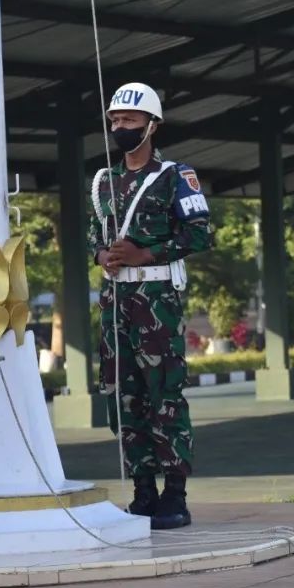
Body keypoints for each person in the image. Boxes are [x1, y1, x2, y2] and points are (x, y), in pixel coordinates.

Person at [88, 82, 213, 530]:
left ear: (152, 125)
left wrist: (146, 253)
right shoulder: (104, 180)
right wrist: (103, 256)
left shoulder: (176, 175)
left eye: (131, 121)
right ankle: (142, 493)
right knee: (124, 398)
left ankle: (174, 496)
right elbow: (93, 237)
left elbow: (200, 233)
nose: (121, 128)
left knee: (165, 397)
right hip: (115, 299)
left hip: (157, 298)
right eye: (116, 121)